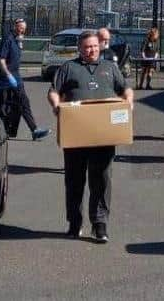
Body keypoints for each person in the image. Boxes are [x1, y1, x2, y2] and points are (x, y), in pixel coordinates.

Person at [48, 31, 134, 243]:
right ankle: (75, 222)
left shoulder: (110, 68)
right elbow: (53, 91)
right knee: (74, 180)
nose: (91, 50)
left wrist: (128, 102)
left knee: (102, 179)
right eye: (87, 47)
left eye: (94, 46)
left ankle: (100, 224)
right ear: (80, 49)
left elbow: (126, 90)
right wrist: (56, 105)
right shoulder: (69, 68)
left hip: (103, 136)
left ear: (100, 46)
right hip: (76, 134)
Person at [0, 18, 49, 141]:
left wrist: (20, 44)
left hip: (16, 77)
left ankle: (33, 130)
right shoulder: (8, 39)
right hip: (8, 79)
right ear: (15, 26)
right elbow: (1, 60)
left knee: (21, 104)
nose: (22, 31)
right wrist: (8, 75)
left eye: (24, 29)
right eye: (21, 28)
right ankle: (5, 131)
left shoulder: (17, 40)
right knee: (5, 106)